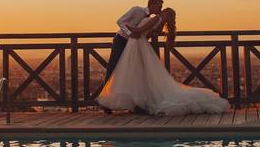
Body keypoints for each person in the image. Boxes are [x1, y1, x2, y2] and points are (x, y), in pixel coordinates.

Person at [98, 8, 229, 116]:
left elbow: (139, 31)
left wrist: (129, 28)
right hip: (137, 46)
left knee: (130, 73)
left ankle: (133, 103)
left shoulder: (156, 19)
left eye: (163, 8)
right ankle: (136, 104)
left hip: (136, 46)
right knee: (138, 74)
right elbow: (148, 34)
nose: (161, 9)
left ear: (165, 13)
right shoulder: (157, 21)